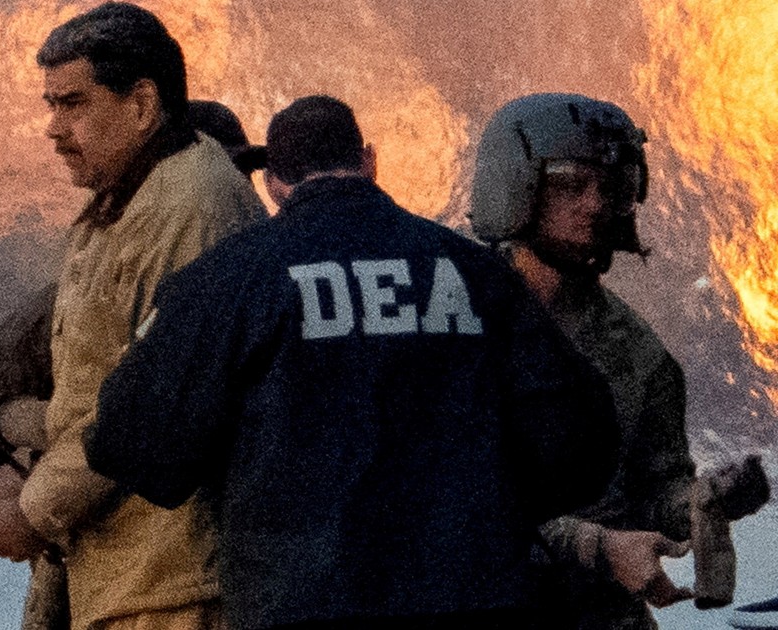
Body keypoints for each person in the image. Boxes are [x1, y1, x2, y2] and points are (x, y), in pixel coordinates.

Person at [84, 95, 621, 630]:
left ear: (273, 184)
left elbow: (128, 442)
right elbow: (582, 442)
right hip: (474, 598)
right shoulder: (477, 274)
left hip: (299, 605)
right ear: (369, 161)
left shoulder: (227, 279)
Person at [0, 4, 266, 629]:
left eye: (74, 104)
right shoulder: (128, 200)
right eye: (51, 106)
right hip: (133, 581)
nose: (53, 129)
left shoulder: (190, 209)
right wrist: (27, 481)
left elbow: (153, 404)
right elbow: (95, 395)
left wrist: (34, 511)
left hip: (177, 590)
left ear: (143, 104)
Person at [469, 92, 698, 629]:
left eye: (611, 187)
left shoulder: (636, 351)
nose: (595, 205)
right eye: (570, 184)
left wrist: (697, 504)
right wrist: (593, 546)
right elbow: (445, 499)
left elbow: (657, 483)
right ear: (513, 186)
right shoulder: (456, 320)